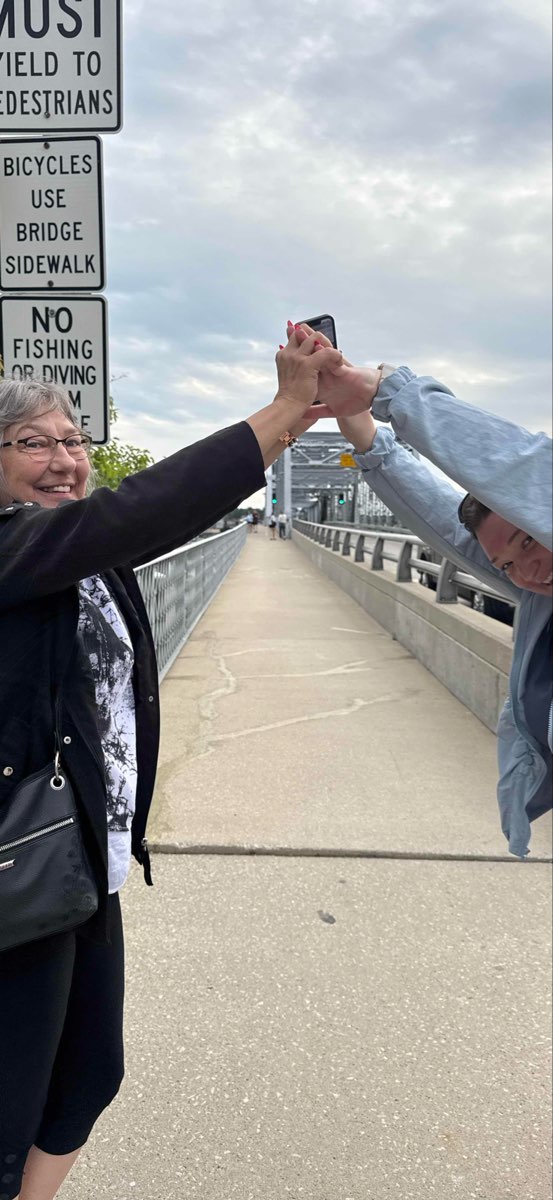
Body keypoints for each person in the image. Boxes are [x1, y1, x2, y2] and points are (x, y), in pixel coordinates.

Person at [0, 329, 342, 1200]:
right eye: (33, 442)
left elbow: (151, 517)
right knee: (8, 1105)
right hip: (16, 878)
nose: (64, 460)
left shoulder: (87, 563)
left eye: (74, 440)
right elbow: (139, 509)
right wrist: (277, 416)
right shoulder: (15, 556)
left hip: (84, 866)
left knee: (87, 1077)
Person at [285, 321, 552, 859]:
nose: (526, 572)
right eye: (507, 563)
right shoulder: (541, 592)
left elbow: (529, 474)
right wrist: (361, 429)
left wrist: (389, 393)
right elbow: (452, 532)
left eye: (529, 538)